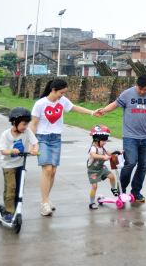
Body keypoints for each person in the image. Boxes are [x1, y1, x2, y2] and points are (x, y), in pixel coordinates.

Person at [95, 75, 146, 203]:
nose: (142, 92)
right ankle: (121, 190)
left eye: (145, 89)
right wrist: (103, 110)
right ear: (136, 85)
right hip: (130, 137)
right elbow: (115, 104)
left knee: (143, 166)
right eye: (140, 89)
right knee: (131, 163)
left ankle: (136, 192)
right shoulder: (128, 93)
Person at [30, 78, 99, 216]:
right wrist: (34, 144)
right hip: (42, 139)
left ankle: (46, 199)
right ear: (53, 90)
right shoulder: (40, 104)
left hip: (56, 138)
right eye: (61, 92)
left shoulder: (62, 101)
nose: (63, 95)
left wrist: (92, 112)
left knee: (53, 171)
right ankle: (44, 203)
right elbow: (34, 124)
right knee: (47, 169)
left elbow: (75, 108)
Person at [0, 107, 39, 222]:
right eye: (23, 124)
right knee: (11, 188)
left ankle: (16, 208)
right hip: (8, 166)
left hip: (21, 164)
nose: (25, 127)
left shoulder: (27, 132)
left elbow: (35, 142)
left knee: (19, 189)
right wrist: (11, 151)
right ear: (14, 122)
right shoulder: (5, 134)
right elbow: (2, 150)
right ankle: (8, 211)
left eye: (27, 124)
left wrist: (35, 149)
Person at [86, 125, 119, 210]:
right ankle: (92, 202)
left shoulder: (102, 148)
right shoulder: (93, 148)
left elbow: (109, 153)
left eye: (106, 140)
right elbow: (93, 155)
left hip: (101, 168)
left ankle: (113, 189)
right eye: (103, 140)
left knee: (111, 176)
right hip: (93, 170)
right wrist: (103, 157)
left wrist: (117, 152)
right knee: (94, 186)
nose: (105, 142)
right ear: (97, 139)